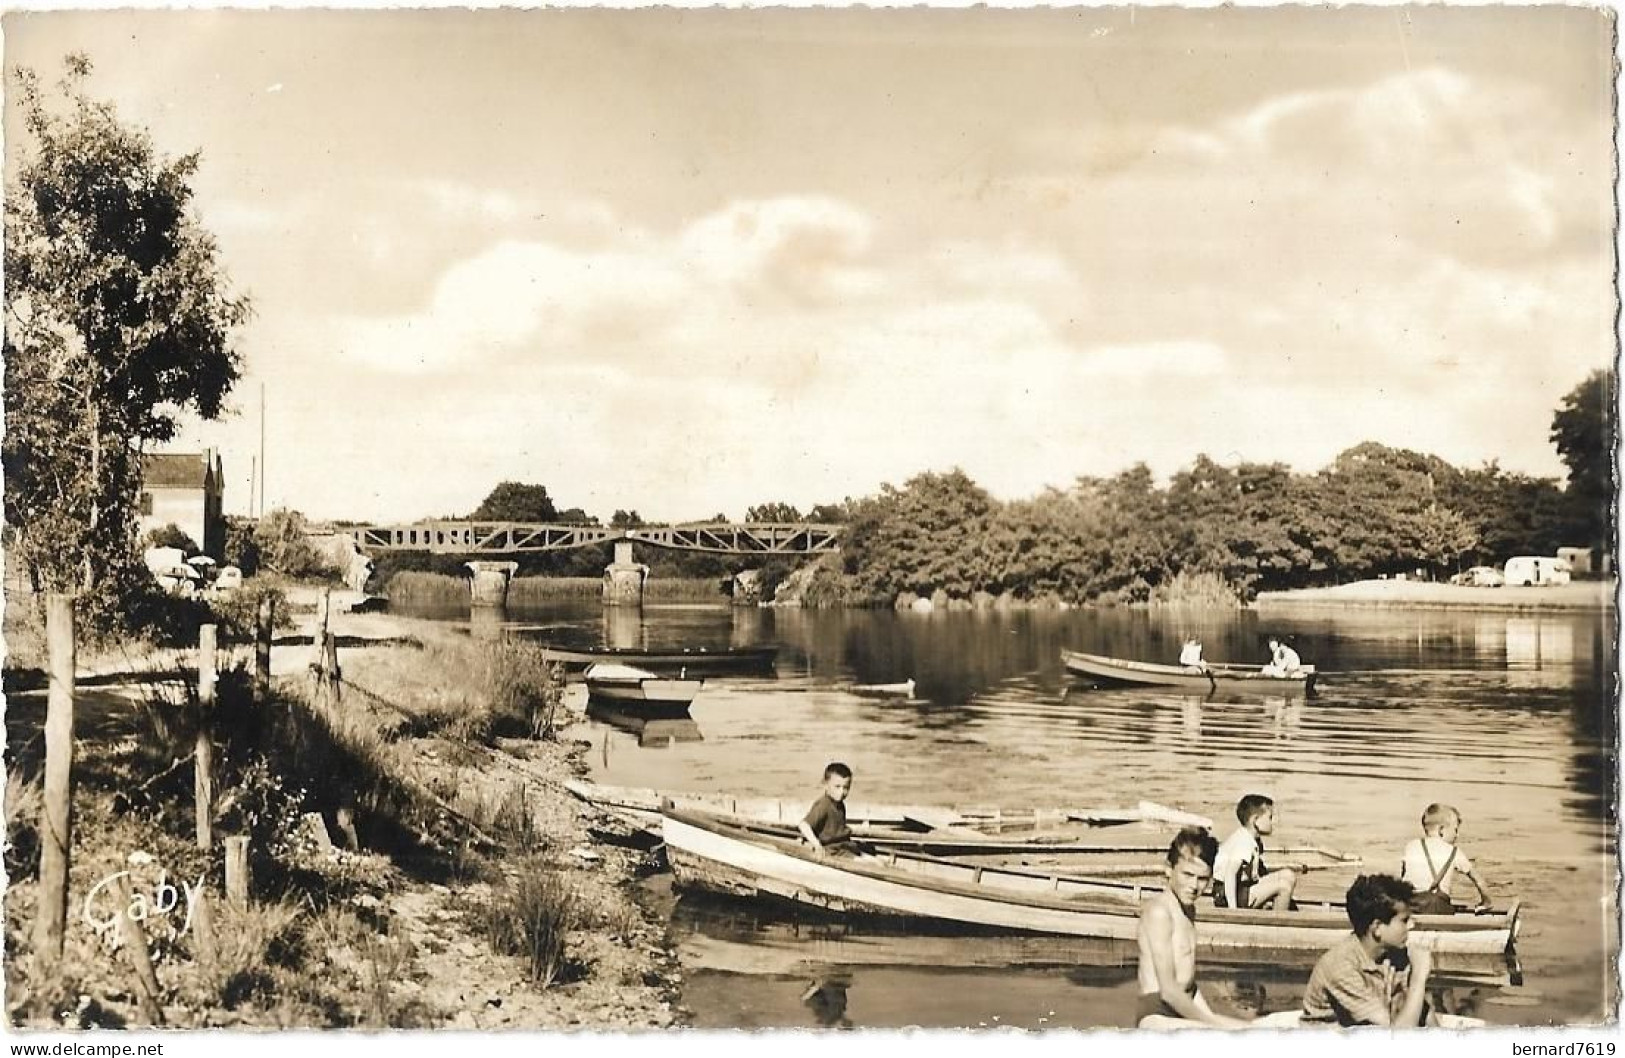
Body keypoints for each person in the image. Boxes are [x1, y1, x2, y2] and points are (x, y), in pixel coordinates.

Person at [1136, 828, 1251, 1028]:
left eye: (1202, 879)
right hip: (1157, 1016)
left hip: (1181, 1011)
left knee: (1254, 1031)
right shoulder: (1159, 912)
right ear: (1168, 869)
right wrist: (1216, 1026)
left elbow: (1189, 985)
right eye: (1187, 875)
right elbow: (1169, 991)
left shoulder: (1188, 910)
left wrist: (1214, 1019)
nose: (1194, 886)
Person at [1301, 874, 1438, 1026]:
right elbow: (1397, 1040)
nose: (1412, 925)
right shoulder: (1341, 967)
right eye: (1404, 920)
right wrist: (1418, 978)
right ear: (1377, 927)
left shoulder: (1394, 955)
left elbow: (1427, 1021)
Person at [1400, 804, 1492, 913]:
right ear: (1441, 830)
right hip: (1436, 907)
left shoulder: (1411, 846)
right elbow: (1479, 881)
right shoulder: (1454, 852)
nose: (1457, 835)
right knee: (1444, 906)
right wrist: (1486, 903)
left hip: (1409, 906)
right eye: (1455, 830)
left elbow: (1403, 876)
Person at [1212, 794, 1299, 910]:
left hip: (1242, 889)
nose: (1273, 822)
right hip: (1228, 895)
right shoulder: (1244, 842)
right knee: (1284, 886)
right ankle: (1278, 924)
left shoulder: (1249, 838)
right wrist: (1233, 910)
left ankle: (1277, 910)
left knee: (1288, 875)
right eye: (1270, 817)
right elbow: (1230, 873)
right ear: (1255, 820)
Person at [798, 762, 856, 857]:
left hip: (844, 847)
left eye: (846, 788)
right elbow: (803, 825)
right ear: (825, 785)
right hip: (833, 851)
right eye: (837, 787)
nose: (841, 792)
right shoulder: (824, 805)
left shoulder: (840, 804)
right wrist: (817, 845)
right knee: (871, 863)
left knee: (874, 859)